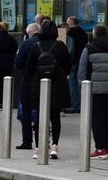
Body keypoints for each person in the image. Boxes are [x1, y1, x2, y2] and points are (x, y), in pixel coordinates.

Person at [26, 19, 70, 160]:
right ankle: (55, 146)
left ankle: (39, 147)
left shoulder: (35, 46)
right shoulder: (60, 46)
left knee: (39, 117)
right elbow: (68, 65)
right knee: (55, 117)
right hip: (57, 85)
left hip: (39, 85)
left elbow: (29, 68)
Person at [79, 23, 108, 159]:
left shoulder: (89, 48)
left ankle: (100, 147)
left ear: (95, 34)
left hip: (95, 90)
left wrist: (82, 87)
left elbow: (82, 71)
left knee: (97, 119)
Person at [14, 23, 41, 150]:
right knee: (43, 111)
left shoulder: (26, 44)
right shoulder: (48, 43)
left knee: (26, 111)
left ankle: (27, 141)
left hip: (28, 80)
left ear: (30, 32)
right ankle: (42, 139)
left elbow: (18, 63)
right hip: (44, 81)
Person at [65, 15, 88, 114]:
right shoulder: (83, 33)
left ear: (70, 23)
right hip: (81, 59)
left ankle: (75, 104)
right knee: (79, 83)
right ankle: (80, 104)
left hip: (72, 60)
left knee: (72, 83)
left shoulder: (70, 34)